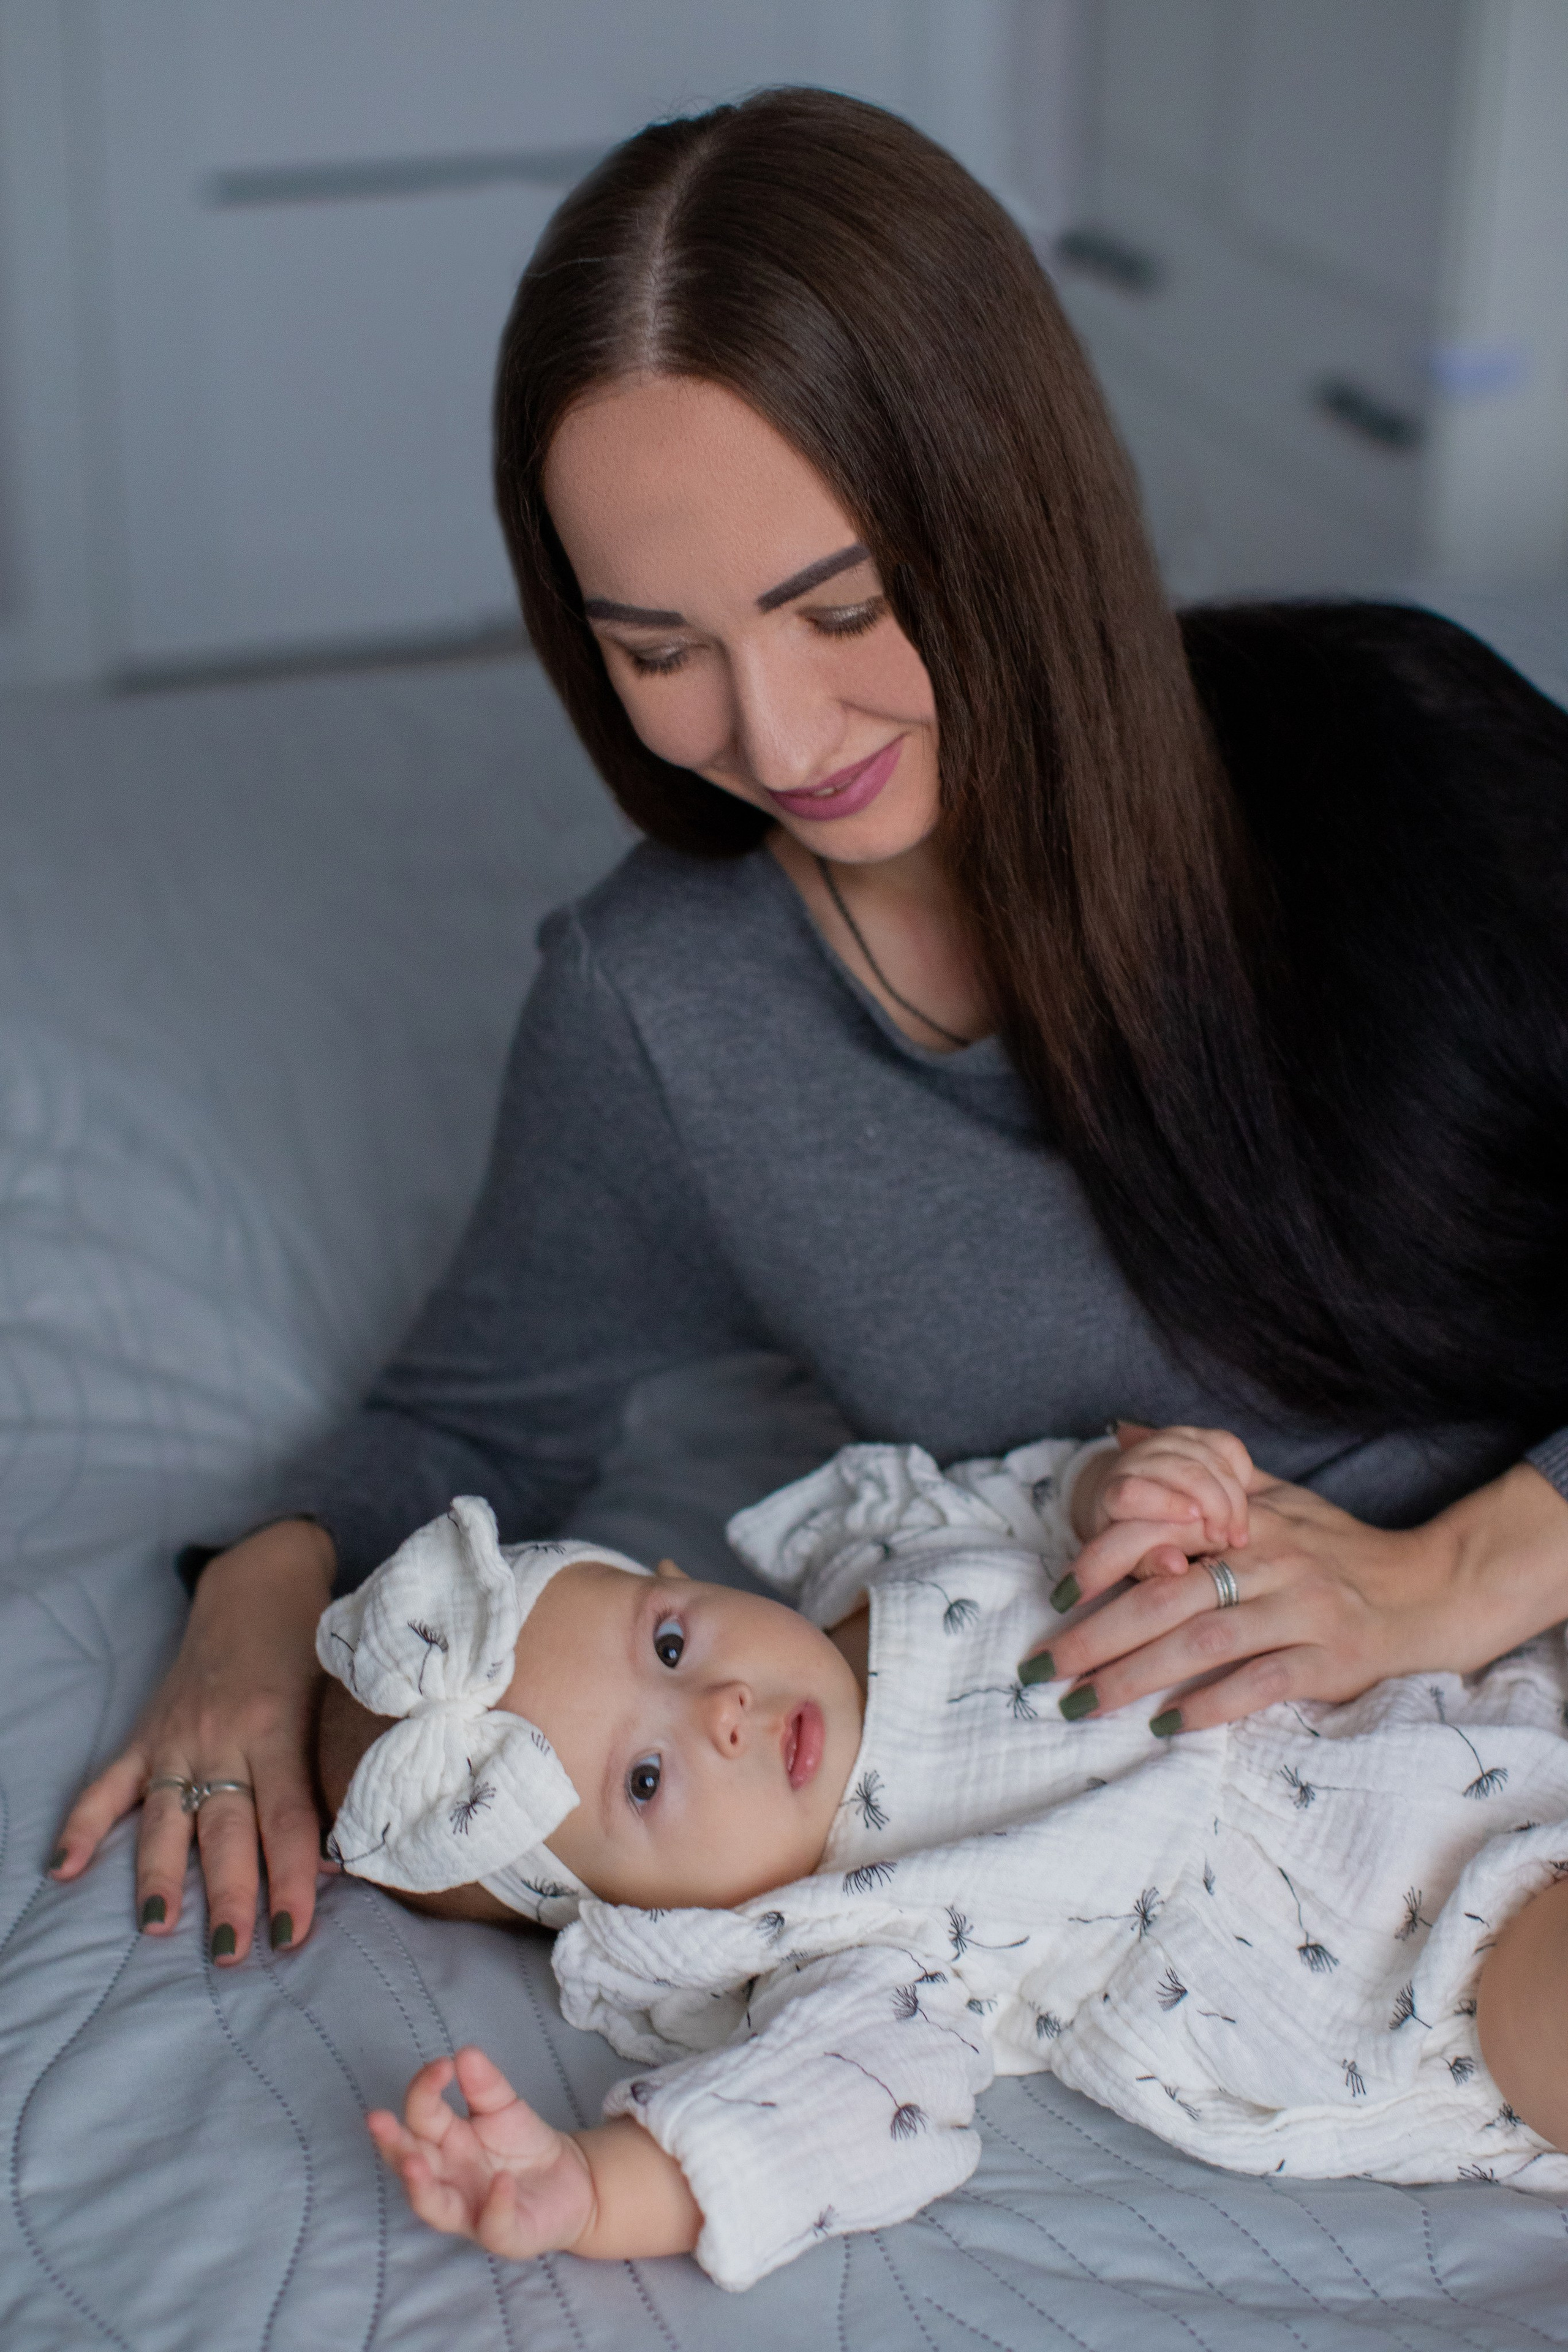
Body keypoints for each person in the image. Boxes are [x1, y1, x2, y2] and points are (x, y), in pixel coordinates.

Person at [49, 88, 1568, 1969]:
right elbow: (472, 1411)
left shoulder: (1401, 759)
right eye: (657, 649)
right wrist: (255, 1601)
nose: (774, 739)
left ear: (1009, 511)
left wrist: (1446, 1585)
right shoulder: (665, 1011)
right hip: (1325, 1877)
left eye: (841, 608)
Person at [318, 1433, 1568, 2293]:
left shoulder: (899, 1549)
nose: (720, 1712)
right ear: (642, 1913)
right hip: (1396, 1961)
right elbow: (824, 2109)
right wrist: (591, 2193)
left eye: (670, 1645)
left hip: (1438, 1696)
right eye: (645, 1781)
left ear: (677, 1580)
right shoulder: (851, 1932)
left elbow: (1058, 1492)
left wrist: (1132, 1492)